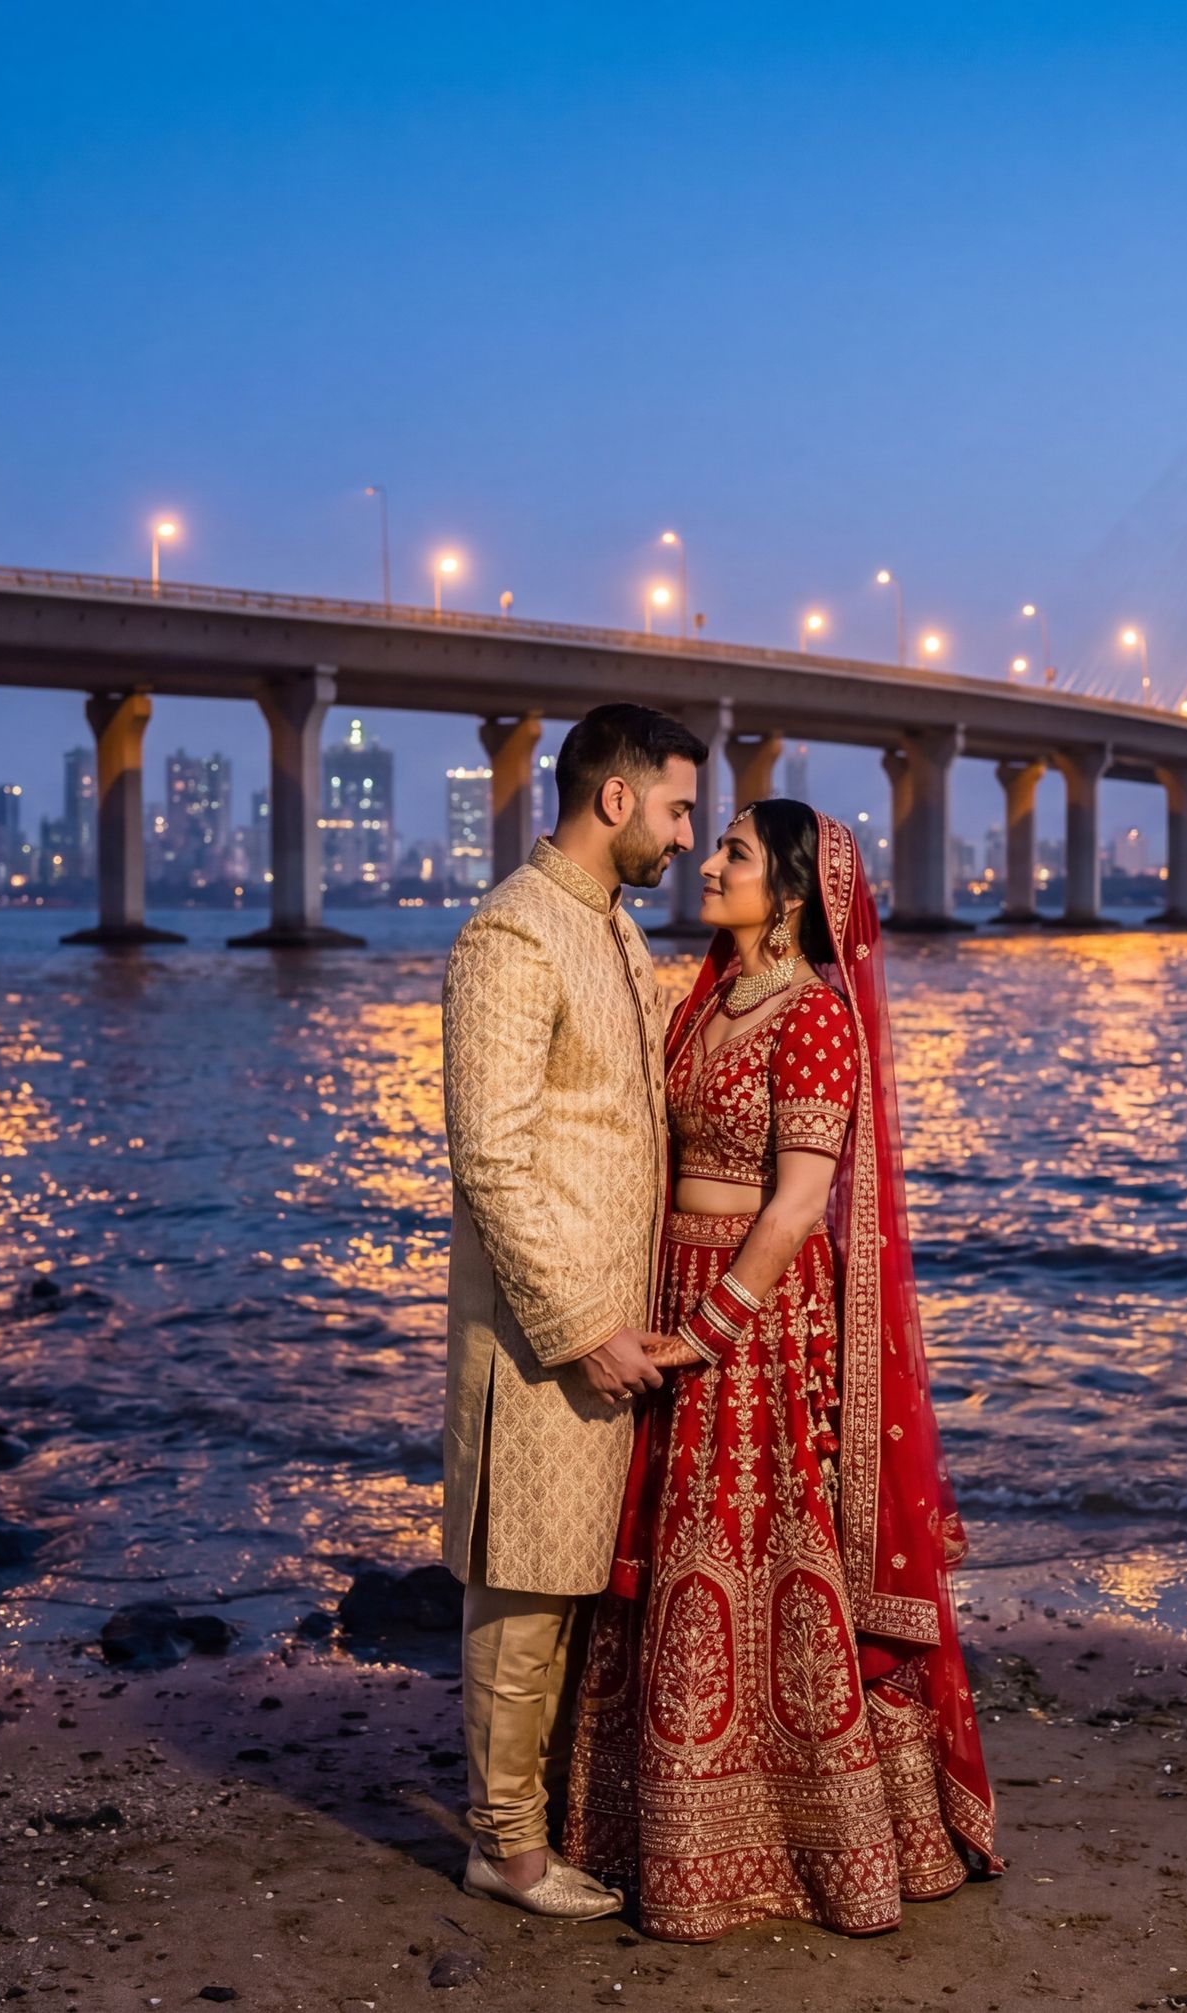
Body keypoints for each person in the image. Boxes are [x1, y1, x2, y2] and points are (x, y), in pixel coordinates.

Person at [564, 799, 999, 1942]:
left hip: (751, 1325)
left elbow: (801, 1203)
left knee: (756, 1552)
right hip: (671, 1296)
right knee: (671, 1555)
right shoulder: (704, 1005)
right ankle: (645, 1831)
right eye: (713, 846)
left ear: (792, 894)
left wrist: (710, 1328)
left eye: (736, 855)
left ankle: (809, 1840)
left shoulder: (813, 1017)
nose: (709, 864)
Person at [440, 702, 708, 1919]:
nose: (687, 833)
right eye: (676, 806)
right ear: (616, 799)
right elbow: (489, 1161)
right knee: (524, 1587)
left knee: (574, 1588)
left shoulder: (610, 932)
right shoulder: (513, 935)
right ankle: (504, 1847)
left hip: (616, 1331)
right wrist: (582, 1326)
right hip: (545, 1343)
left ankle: (543, 1822)